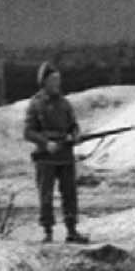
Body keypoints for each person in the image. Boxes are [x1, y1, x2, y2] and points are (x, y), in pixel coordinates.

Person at [22, 62, 87, 245]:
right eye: (53, 80)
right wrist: (46, 143)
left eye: (58, 80)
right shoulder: (35, 105)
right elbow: (28, 132)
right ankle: (48, 231)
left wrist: (76, 135)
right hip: (46, 157)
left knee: (70, 194)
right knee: (46, 195)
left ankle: (72, 230)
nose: (57, 83)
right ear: (44, 82)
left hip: (65, 156)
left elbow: (73, 125)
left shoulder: (64, 103)